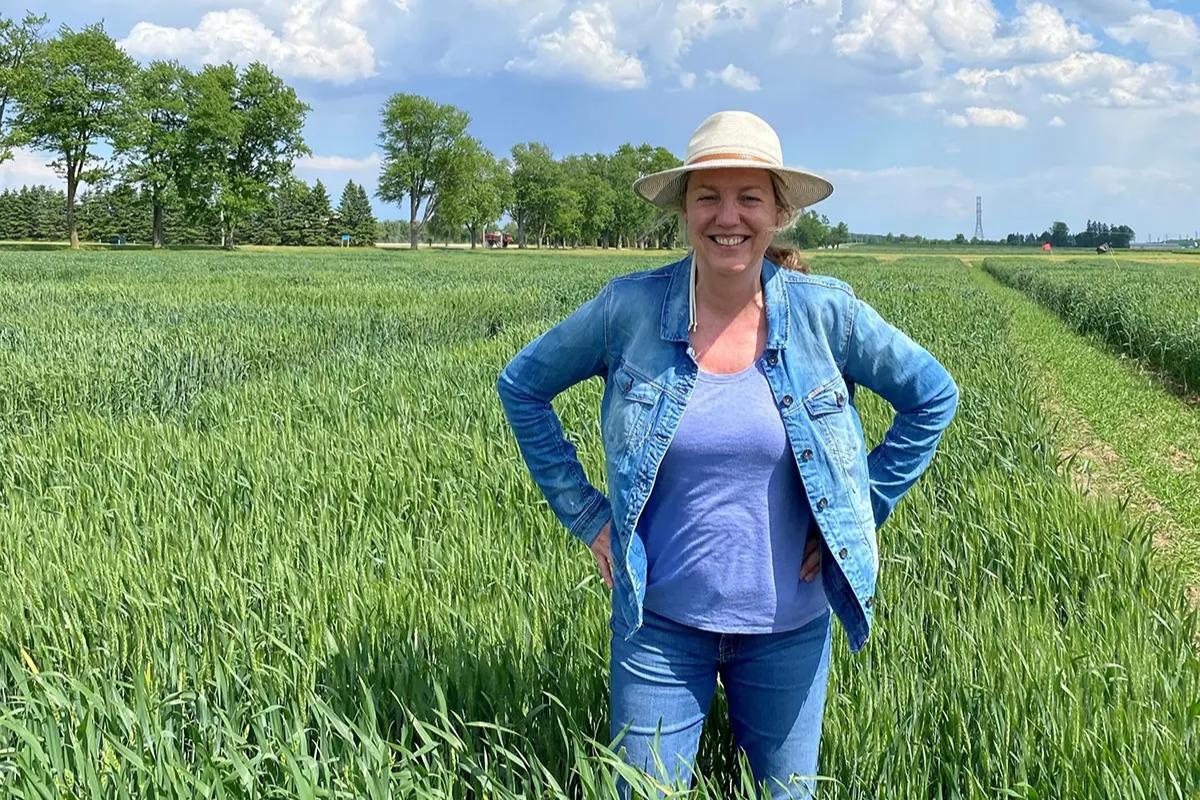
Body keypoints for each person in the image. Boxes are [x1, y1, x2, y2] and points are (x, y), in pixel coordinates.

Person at [496, 111, 959, 797]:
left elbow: (933, 396)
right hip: (659, 627)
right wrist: (587, 517)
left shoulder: (824, 315)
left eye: (749, 197)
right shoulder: (629, 309)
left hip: (788, 629)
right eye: (708, 195)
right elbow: (522, 385)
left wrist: (859, 513)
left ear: (778, 213)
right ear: (684, 209)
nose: (728, 217)